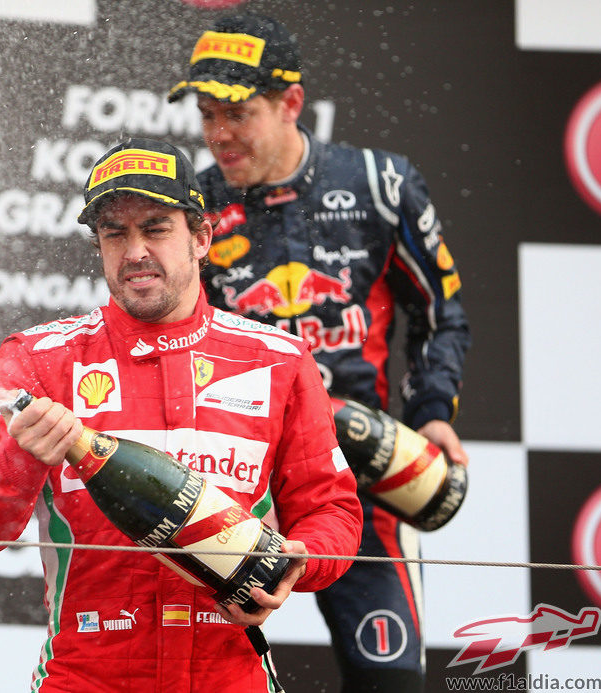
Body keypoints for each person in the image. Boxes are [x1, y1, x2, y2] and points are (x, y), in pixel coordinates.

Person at [0, 138, 363, 692]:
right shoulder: (37, 359)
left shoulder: (278, 360)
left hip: (230, 678)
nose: (134, 250)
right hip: (86, 678)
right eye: (115, 233)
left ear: (202, 238)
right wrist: (20, 457)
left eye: (156, 228)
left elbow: (332, 510)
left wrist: (301, 561)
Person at [168, 13, 472, 692]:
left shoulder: (380, 185)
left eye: (237, 113)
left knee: (389, 681)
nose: (216, 133)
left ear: (291, 104)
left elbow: (440, 312)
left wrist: (431, 412)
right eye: (206, 112)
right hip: (233, 485)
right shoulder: (192, 206)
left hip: (355, 481)